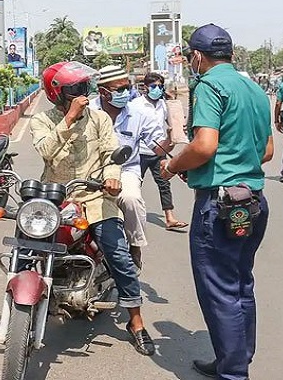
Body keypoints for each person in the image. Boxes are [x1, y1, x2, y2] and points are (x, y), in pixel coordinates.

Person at [160, 23, 274, 380]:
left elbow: (205, 146)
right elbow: (267, 151)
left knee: (219, 290)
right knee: (240, 284)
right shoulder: (254, 89)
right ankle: (234, 360)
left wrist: (173, 166)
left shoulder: (209, 85)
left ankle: (233, 373)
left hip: (220, 204)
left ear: (197, 56)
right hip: (252, 199)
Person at [28, 61, 155, 355]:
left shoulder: (99, 119)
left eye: (85, 87)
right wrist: (69, 119)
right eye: (76, 89)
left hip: (95, 197)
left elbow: (111, 154)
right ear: (57, 93)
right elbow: (46, 151)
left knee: (118, 254)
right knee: (27, 244)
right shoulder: (42, 121)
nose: (83, 94)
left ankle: (136, 321)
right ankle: (19, 303)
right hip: (56, 197)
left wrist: (112, 177)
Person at [91, 65, 172, 272]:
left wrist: (172, 138)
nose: (125, 94)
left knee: (131, 199)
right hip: (90, 170)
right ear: (103, 91)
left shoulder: (137, 114)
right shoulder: (88, 111)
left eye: (128, 88)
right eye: (120, 90)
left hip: (125, 169)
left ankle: (135, 246)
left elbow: (157, 146)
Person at [136, 72, 188, 231]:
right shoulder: (136, 105)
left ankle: (169, 218)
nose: (157, 89)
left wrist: (173, 104)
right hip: (140, 152)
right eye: (154, 86)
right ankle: (130, 217)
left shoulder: (163, 105)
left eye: (160, 86)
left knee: (164, 183)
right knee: (135, 185)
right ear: (146, 87)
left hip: (160, 151)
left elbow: (174, 122)